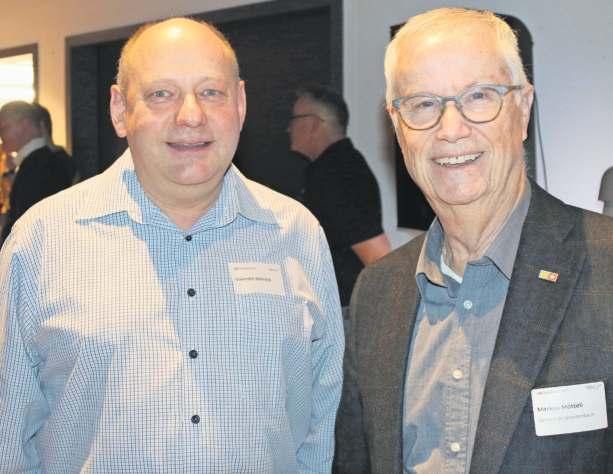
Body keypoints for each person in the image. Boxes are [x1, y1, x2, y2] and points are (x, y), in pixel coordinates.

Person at [0, 18, 344, 472]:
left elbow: (321, 417)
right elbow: (9, 432)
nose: (190, 116)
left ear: (240, 104)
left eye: (211, 92)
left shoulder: (298, 234)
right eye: (161, 94)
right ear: (119, 110)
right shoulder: (41, 242)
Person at [343, 7, 613, 473]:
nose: (451, 130)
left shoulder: (605, 269)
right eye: (423, 104)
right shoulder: (377, 292)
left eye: (479, 96)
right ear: (397, 125)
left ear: (523, 108)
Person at [288, 85, 391, 309]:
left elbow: (378, 256)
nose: (289, 128)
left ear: (313, 124)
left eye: (294, 119)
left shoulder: (337, 174)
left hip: (346, 312)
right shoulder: (337, 167)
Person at [0, 101, 75, 245]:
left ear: (25, 125)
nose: (1, 135)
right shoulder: (40, 162)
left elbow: (27, 226)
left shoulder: (40, 166)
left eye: (4, 128)